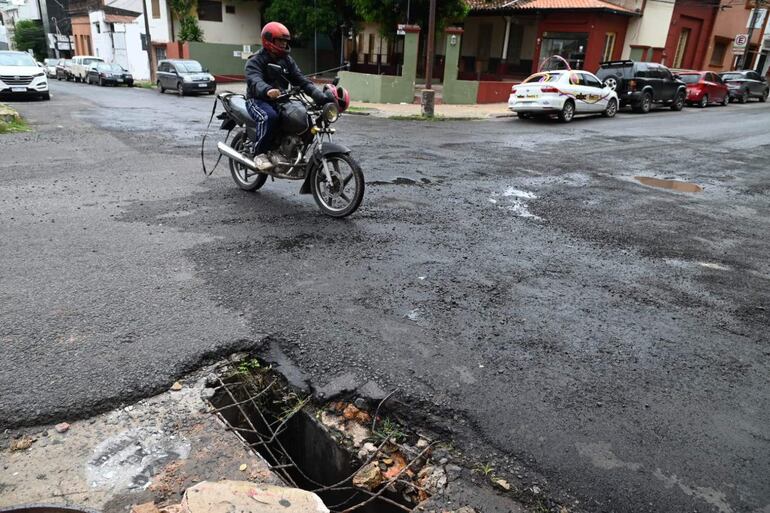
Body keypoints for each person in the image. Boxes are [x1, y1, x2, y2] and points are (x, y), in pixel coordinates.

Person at [245, 21, 331, 169]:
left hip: (280, 100)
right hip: (258, 100)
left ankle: (292, 153)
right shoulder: (255, 60)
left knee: (305, 119)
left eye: (285, 41)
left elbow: (301, 80)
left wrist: (319, 96)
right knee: (269, 117)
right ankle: (259, 153)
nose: (284, 44)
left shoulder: (286, 60)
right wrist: (267, 90)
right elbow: (255, 80)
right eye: (280, 41)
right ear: (269, 40)